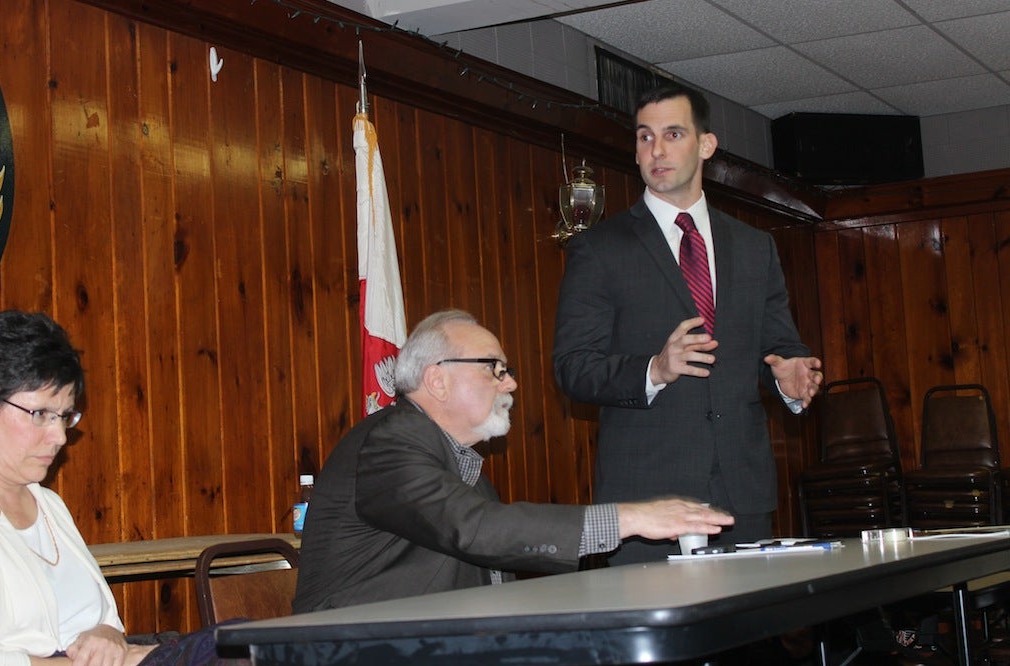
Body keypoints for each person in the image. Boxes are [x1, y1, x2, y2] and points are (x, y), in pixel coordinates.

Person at [292, 309, 733, 613]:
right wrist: (629, 518)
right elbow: (476, 529)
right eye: (495, 369)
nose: (512, 384)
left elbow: (492, 567)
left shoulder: (456, 459)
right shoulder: (389, 442)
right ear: (436, 380)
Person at [0, 311, 234, 666]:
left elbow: (106, 622)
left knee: (249, 646)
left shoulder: (48, 506)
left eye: (65, 416)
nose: (59, 437)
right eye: (40, 414)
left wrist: (107, 638)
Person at [552, 83, 823, 565]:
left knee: (743, 641)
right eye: (644, 137)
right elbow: (573, 369)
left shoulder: (753, 247)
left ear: (706, 146)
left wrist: (789, 376)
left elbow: (778, 346)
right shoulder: (600, 248)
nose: (655, 150)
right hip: (646, 502)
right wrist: (653, 369)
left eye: (672, 134)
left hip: (742, 496)